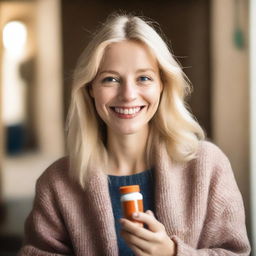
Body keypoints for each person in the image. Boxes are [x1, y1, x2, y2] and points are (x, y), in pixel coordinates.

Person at [18, 13, 251, 256]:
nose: (128, 94)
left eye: (143, 78)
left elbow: (235, 252)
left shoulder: (208, 165)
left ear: (162, 85)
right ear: (90, 90)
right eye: (110, 79)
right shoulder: (57, 182)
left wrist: (172, 253)